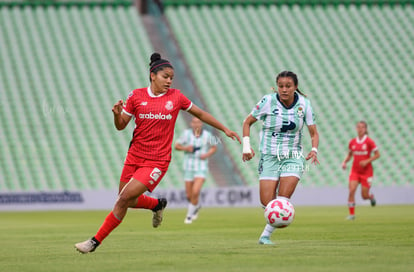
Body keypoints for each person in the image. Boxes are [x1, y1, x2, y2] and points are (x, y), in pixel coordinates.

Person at [75, 53, 241, 253]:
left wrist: (225, 129)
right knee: (125, 198)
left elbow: (200, 114)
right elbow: (121, 126)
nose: (169, 81)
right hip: (134, 156)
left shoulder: (176, 97)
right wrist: (117, 114)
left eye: (171, 77)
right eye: (165, 76)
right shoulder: (136, 96)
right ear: (152, 75)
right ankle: (157, 204)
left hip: (157, 160)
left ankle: (94, 242)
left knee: (123, 198)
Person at [242, 71, 319, 245]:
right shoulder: (268, 101)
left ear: (295, 87)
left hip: (293, 156)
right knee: (267, 203)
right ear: (276, 86)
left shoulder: (304, 105)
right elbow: (247, 122)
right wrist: (247, 147)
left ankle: (265, 236)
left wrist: (314, 149)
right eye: (281, 86)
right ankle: (268, 231)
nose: (284, 90)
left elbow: (314, 132)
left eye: (288, 86)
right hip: (269, 156)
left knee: (283, 199)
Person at [175, 117, 217, 224]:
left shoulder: (208, 135)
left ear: (201, 124)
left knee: (196, 191)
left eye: (198, 122)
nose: (196, 124)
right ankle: (196, 206)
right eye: (194, 122)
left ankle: (189, 216)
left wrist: (207, 154)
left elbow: (214, 147)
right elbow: (176, 145)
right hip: (188, 166)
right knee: (189, 195)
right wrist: (186, 148)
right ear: (191, 124)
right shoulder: (186, 134)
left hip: (201, 166)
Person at [342, 121, 380, 220]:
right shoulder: (352, 142)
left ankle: (370, 197)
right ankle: (352, 214)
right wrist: (345, 162)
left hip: (367, 172)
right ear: (356, 129)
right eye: (358, 127)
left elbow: (377, 154)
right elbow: (350, 155)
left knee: (364, 195)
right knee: (351, 191)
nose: (360, 129)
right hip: (355, 171)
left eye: (362, 127)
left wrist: (367, 161)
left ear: (365, 129)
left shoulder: (369, 141)